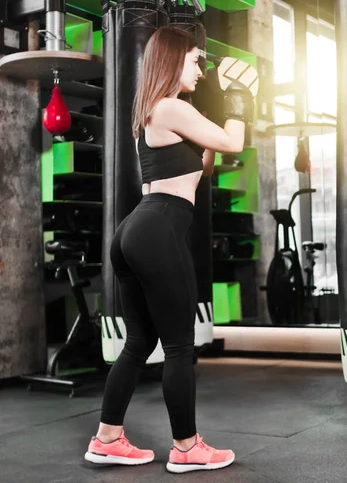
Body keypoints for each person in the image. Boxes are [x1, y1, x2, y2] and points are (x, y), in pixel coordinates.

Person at [83, 27, 255, 474]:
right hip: (156, 228)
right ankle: (186, 448)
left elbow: (206, 167)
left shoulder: (156, 114)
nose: (200, 69)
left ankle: (107, 440)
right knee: (179, 345)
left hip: (136, 231)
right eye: (196, 60)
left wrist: (220, 107)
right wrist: (240, 99)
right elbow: (235, 142)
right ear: (174, 60)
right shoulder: (170, 107)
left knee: (139, 342)